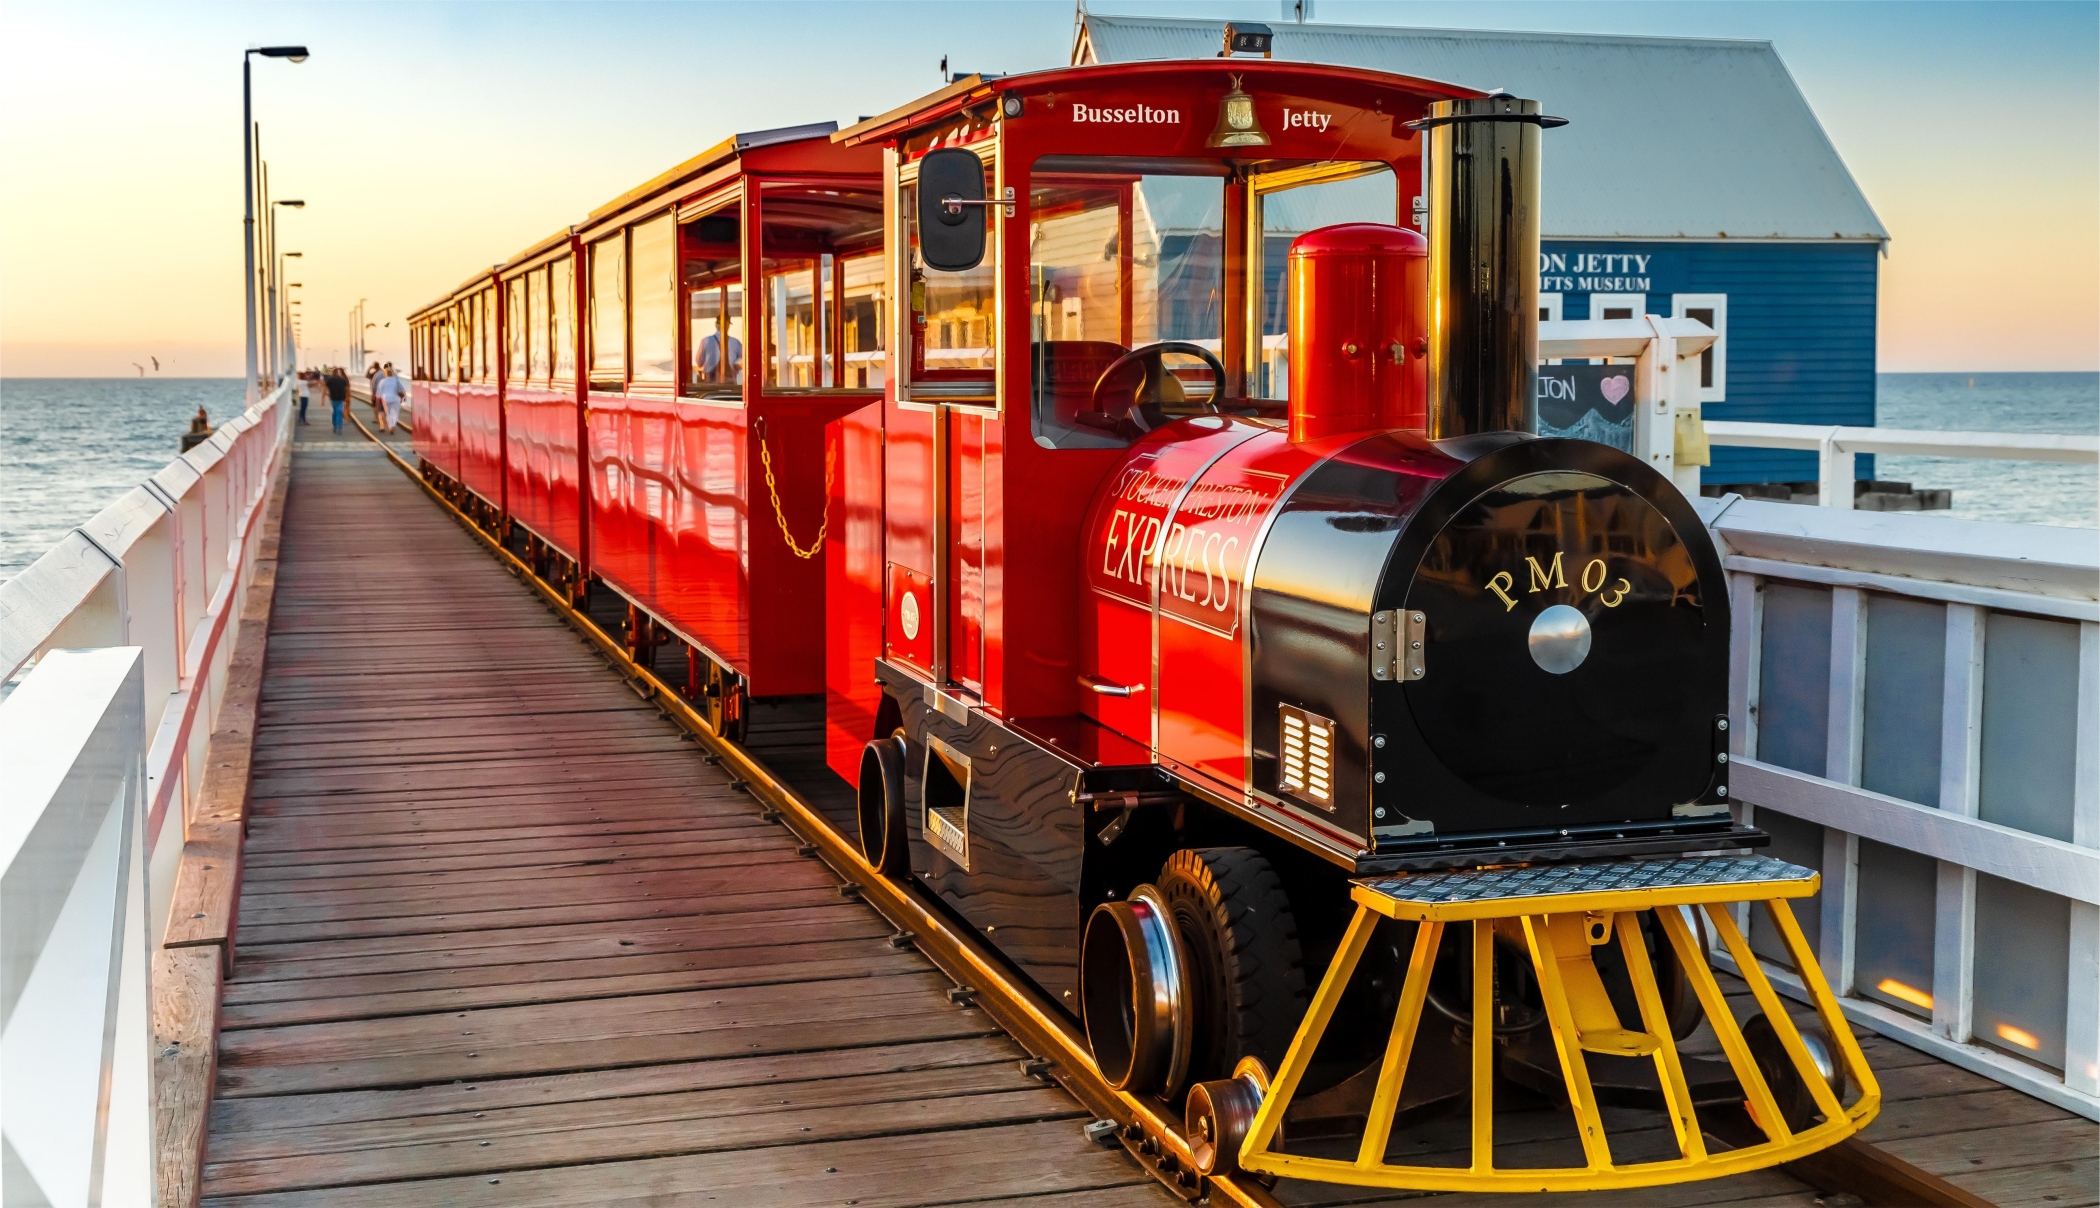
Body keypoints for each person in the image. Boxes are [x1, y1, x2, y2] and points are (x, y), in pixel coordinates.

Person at [376, 363, 405, 433]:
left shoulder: (382, 381)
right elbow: (402, 389)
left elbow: (378, 394)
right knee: (394, 413)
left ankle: (390, 426)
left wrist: (377, 402)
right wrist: (403, 397)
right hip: (395, 399)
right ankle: (392, 425)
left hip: (385, 399)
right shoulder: (396, 380)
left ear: (385, 374)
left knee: (388, 412)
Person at [324, 365, 350, 435]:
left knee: (334, 413)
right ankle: (339, 427)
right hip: (341, 399)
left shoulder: (329, 380)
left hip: (333, 399)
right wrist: (347, 397)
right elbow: (347, 389)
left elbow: (325, 388)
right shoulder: (343, 380)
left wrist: (323, 399)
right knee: (339, 413)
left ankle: (334, 426)